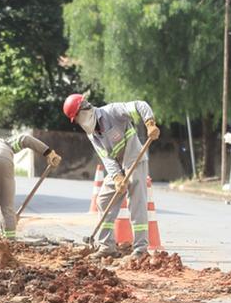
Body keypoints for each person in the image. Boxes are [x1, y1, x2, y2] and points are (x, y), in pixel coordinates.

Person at [63, 94, 159, 259]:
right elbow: (106, 157)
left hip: (134, 158)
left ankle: (140, 250)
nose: (78, 122)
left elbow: (139, 105)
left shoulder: (112, 111)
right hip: (119, 166)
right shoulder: (92, 133)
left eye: (77, 118)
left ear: (83, 110)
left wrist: (150, 123)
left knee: (136, 202)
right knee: (103, 199)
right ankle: (107, 246)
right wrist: (116, 178)